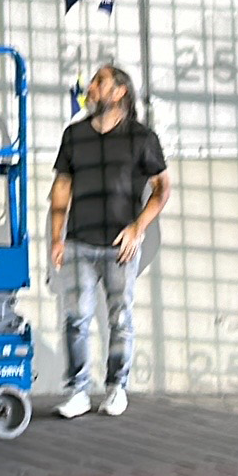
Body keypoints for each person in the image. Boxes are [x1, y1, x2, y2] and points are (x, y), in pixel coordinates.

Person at [49, 64, 172, 419]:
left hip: (120, 246)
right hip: (78, 244)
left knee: (120, 318)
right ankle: (77, 391)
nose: (91, 86)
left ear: (119, 92)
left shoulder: (141, 138)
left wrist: (138, 228)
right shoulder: (74, 135)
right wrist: (57, 237)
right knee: (75, 319)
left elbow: (162, 189)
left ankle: (117, 387)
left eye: (99, 81)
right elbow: (61, 188)